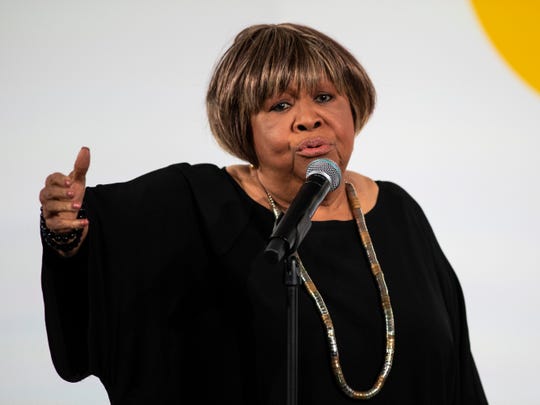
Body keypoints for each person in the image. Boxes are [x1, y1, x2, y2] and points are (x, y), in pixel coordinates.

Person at [39, 23, 488, 404]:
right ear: (243, 126)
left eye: (326, 97)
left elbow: (456, 373)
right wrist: (68, 234)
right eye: (280, 105)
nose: (309, 119)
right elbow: (96, 257)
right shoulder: (195, 204)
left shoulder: (398, 211)